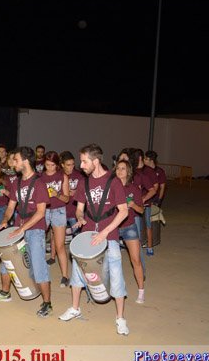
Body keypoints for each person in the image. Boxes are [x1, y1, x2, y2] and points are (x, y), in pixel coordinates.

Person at [59, 144, 130, 336]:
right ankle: (75, 308)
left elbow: (124, 211)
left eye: (84, 161)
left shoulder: (114, 181)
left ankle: (120, 318)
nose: (81, 165)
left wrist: (104, 233)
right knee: (77, 271)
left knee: (116, 274)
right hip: (87, 235)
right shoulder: (84, 182)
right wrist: (80, 217)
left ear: (95, 161)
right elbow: (79, 208)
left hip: (110, 235)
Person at [0, 147, 52, 317]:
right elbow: (11, 207)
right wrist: (5, 220)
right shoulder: (16, 183)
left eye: (16, 160)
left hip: (35, 229)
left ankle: (47, 303)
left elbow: (41, 213)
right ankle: (5, 293)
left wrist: (22, 229)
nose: (13, 163)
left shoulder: (39, 183)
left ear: (25, 161)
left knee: (38, 265)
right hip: (19, 226)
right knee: (6, 261)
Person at [114, 160, 145, 303]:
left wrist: (132, 205)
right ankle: (116, 287)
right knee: (112, 260)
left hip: (129, 227)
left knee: (136, 260)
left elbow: (141, 210)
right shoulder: (111, 187)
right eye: (118, 168)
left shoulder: (133, 189)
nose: (120, 171)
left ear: (128, 172)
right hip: (113, 228)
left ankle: (141, 291)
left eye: (123, 168)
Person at [40, 151, 70, 287]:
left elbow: (66, 198)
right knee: (39, 241)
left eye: (53, 165)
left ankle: (65, 275)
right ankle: (38, 272)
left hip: (59, 210)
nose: (50, 168)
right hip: (44, 210)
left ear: (57, 165)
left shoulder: (62, 176)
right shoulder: (40, 177)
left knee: (60, 245)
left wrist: (56, 194)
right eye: (47, 165)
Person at [130, 149, 158, 256]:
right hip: (134, 203)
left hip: (146, 203)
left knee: (147, 224)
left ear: (139, 158)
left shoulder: (148, 171)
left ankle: (150, 247)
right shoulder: (132, 170)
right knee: (136, 225)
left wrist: (144, 199)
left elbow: (155, 187)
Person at [60, 151, 84, 232]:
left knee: (77, 236)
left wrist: (76, 192)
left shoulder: (79, 175)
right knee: (58, 237)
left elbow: (85, 192)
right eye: (68, 165)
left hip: (75, 212)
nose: (71, 167)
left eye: (73, 164)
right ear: (62, 165)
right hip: (60, 212)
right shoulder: (58, 175)